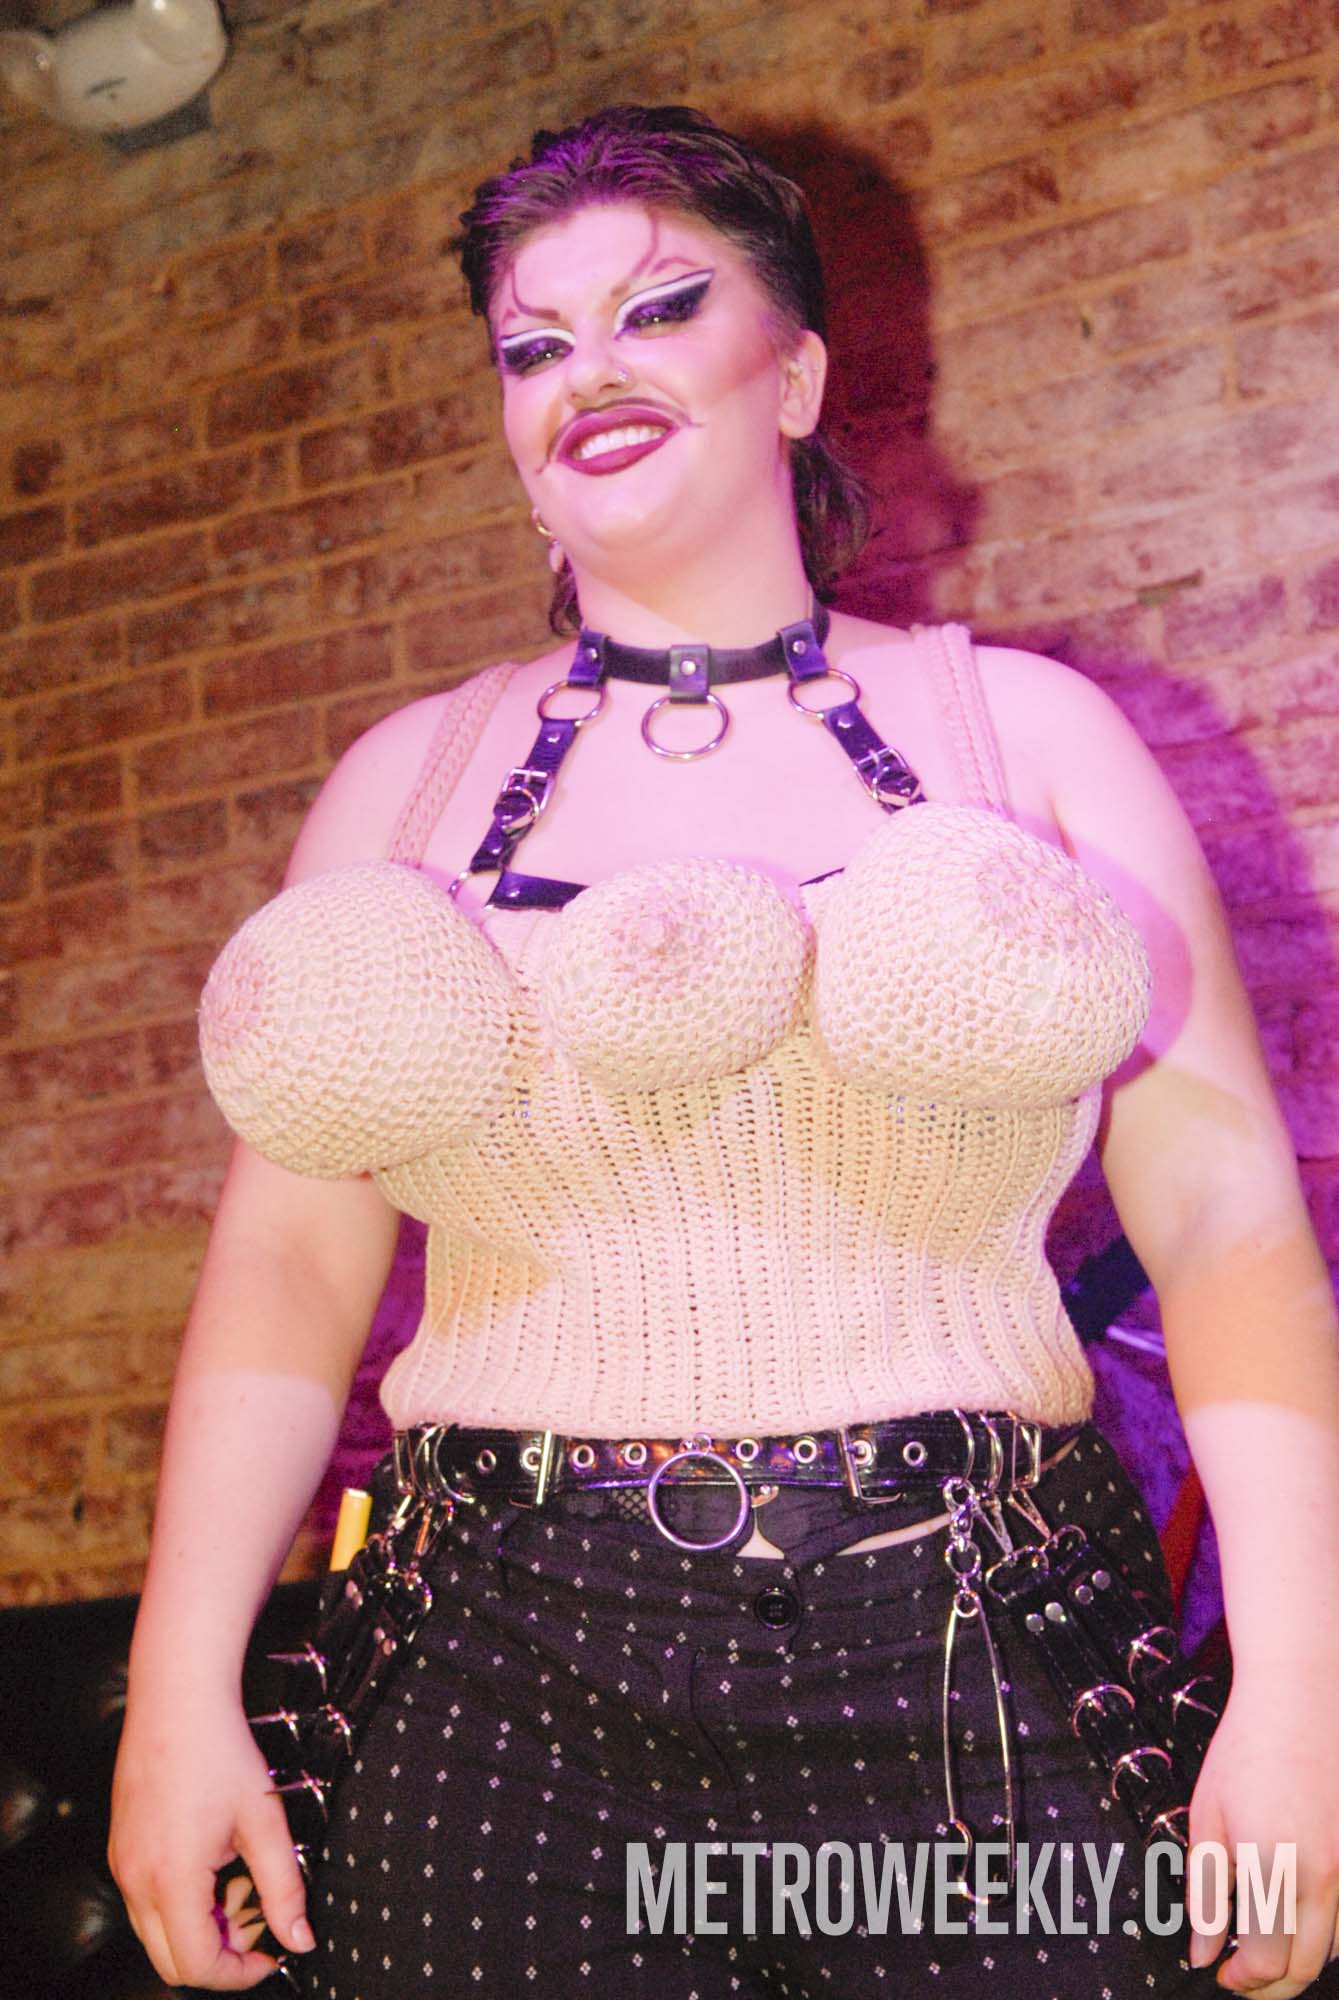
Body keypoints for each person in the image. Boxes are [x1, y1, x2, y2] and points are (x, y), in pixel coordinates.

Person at [109, 106, 1339, 2000]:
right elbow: (284, 1260)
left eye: (661, 309)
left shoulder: (1030, 738)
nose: (586, 373)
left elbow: (1230, 1226)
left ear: (801, 378)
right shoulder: (400, 789)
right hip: (491, 1681)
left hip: (966, 1651)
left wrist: (1304, 1692)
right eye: (533, 346)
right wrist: (176, 1695)